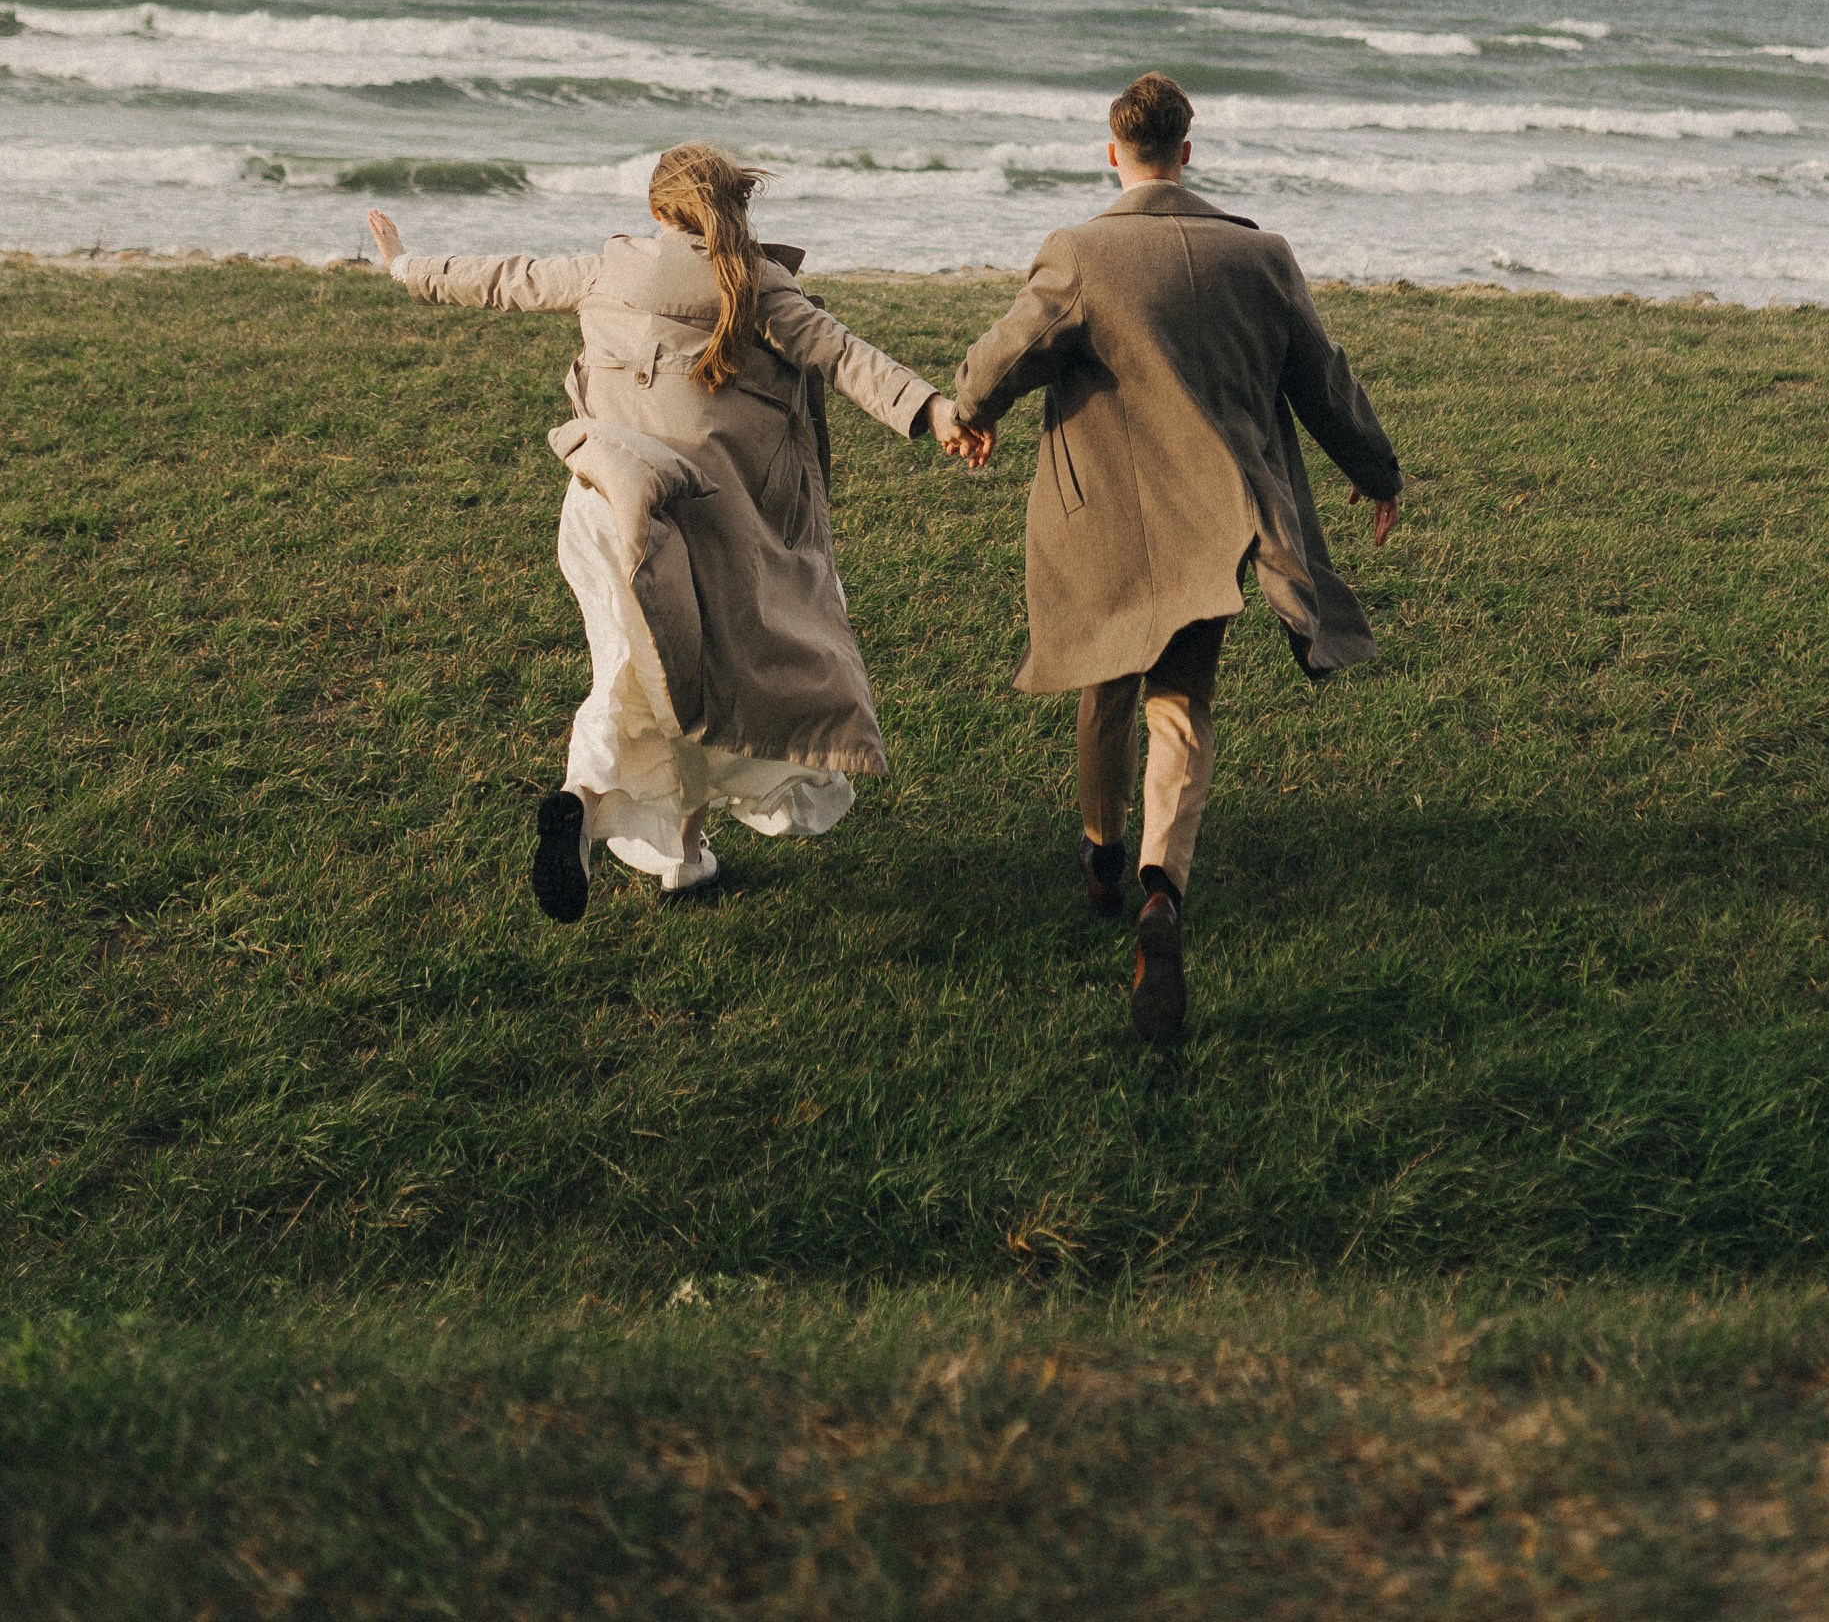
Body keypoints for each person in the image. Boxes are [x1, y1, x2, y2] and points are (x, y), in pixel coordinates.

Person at [366, 143, 979, 922]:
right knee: (698, 684)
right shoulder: (759, 286)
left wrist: (403, 263)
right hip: (708, 525)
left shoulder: (609, 269)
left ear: (658, 213)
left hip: (606, 509)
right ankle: (604, 818)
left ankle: (658, 847)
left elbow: (501, 278)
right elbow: (845, 355)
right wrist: (933, 411)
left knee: (638, 672)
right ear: (736, 209)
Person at [953, 72, 1401, 1040]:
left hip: (1103, 511)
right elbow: (1322, 377)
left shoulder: (1079, 254)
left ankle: (1102, 856)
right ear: (1187, 153)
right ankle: (1164, 886)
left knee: (1105, 687)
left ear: (1113, 153)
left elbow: (1000, 358)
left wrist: (968, 415)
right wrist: (1377, 468)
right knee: (1183, 707)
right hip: (1217, 516)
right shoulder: (1261, 256)